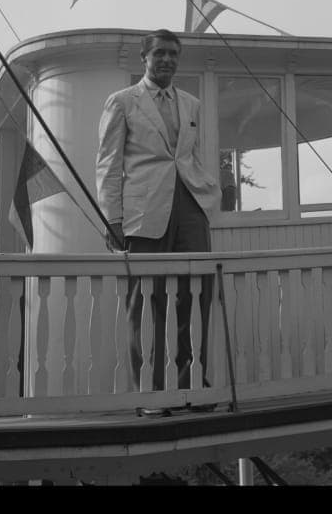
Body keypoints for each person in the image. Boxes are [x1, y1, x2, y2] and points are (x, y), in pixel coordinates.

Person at [95, 29, 220, 394]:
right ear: (144, 58)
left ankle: (192, 385)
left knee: (196, 296)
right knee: (147, 302)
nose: (167, 59)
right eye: (160, 53)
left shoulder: (191, 103)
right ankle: (150, 390)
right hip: (144, 212)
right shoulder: (122, 101)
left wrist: (210, 193)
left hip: (190, 206)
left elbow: (191, 156)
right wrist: (112, 219)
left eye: (173, 54)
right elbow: (108, 163)